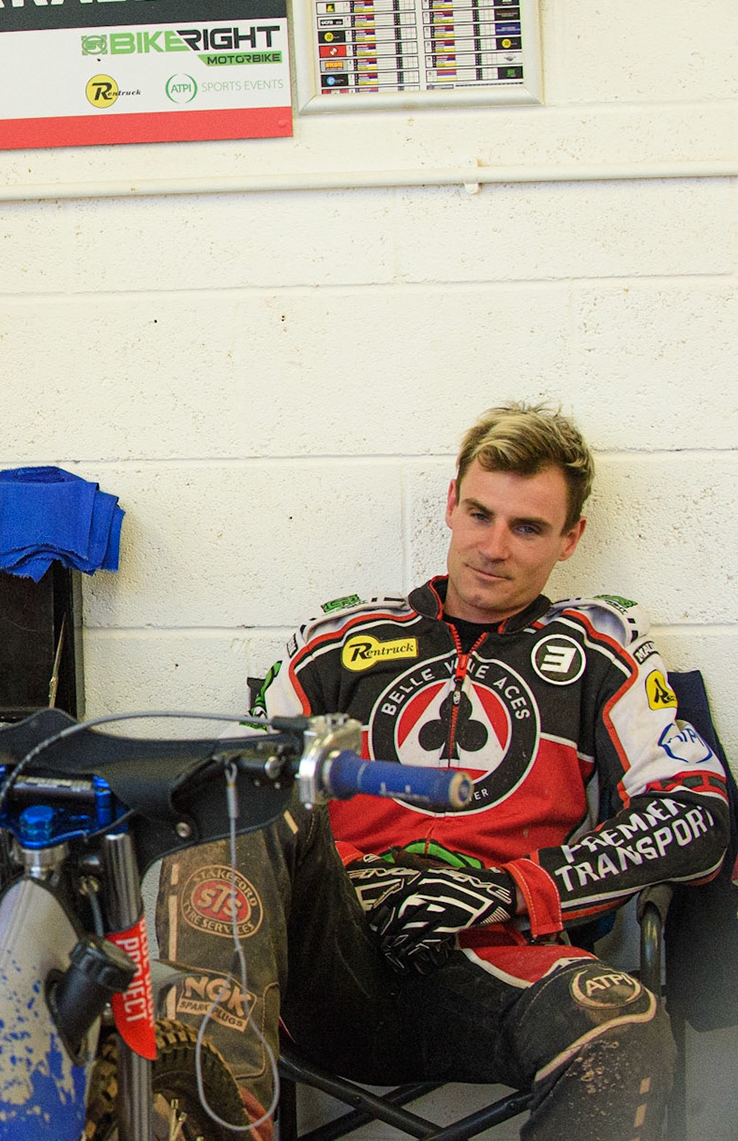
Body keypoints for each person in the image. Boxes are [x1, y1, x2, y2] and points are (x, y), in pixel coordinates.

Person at [156, 402, 730, 1141]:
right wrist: (361, 876)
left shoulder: (599, 652)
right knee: (233, 791)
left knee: (621, 1026)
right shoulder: (338, 642)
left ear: (570, 538)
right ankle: (217, 1117)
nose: (494, 548)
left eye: (527, 528)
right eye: (481, 514)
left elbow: (697, 813)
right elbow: (237, 794)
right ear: (451, 506)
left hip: (499, 972)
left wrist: (510, 888)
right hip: (334, 966)